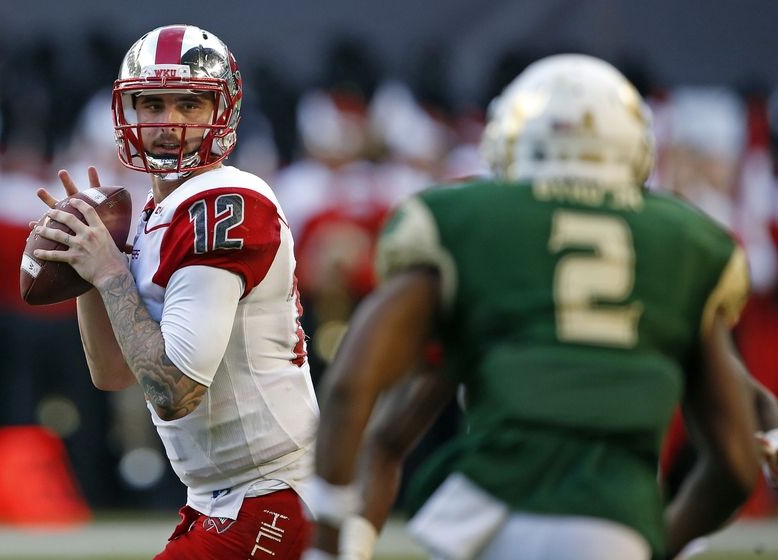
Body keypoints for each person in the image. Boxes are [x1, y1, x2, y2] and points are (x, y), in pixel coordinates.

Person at [305, 54, 762, 560]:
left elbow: (355, 388)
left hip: (490, 508)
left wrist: (330, 539)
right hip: (614, 518)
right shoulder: (684, 241)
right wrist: (656, 542)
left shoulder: (469, 223)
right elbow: (737, 464)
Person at [32, 24, 317, 558]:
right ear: (127, 114)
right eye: (152, 104)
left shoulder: (224, 202)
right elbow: (114, 373)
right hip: (221, 496)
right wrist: (87, 271)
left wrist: (111, 273)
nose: (169, 125)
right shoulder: (153, 213)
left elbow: (175, 390)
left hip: (272, 491)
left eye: (190, 104)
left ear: (224, 112)